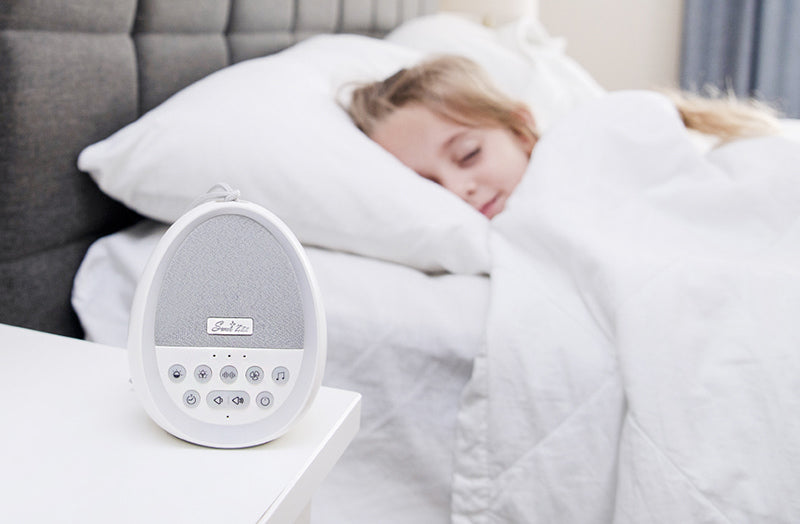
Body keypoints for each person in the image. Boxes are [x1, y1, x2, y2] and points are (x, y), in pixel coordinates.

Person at [347, 55, 780, 219]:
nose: (460, 190)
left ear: (519, 127)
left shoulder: (587, 143)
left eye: (468, 155)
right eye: (429, 185)